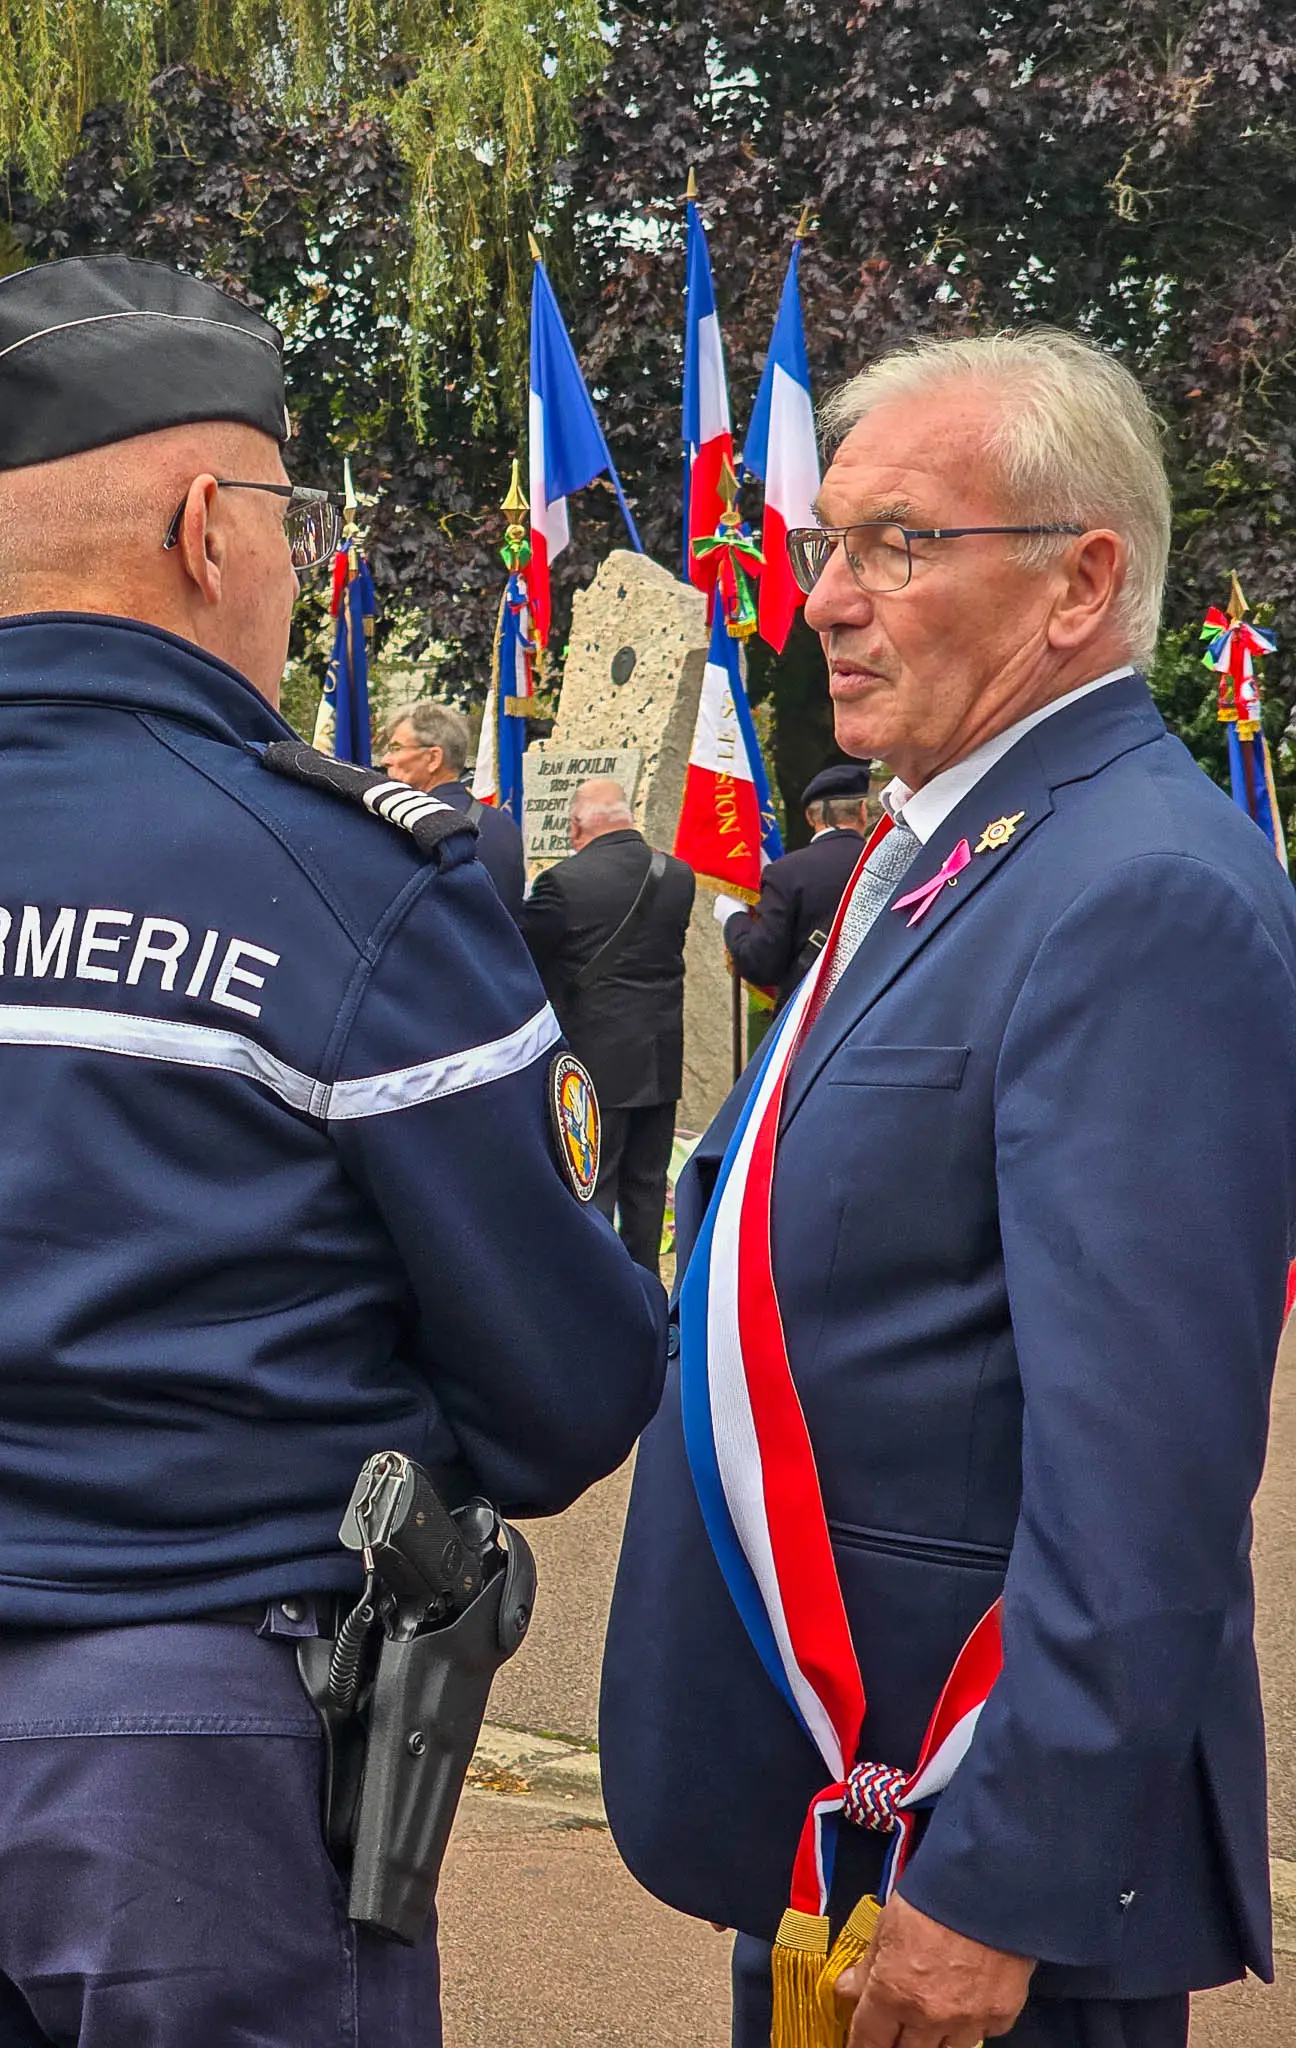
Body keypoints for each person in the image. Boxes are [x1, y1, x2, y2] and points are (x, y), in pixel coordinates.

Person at [0, 253, 668, 2048]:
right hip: (194, 1742)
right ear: (199, 525)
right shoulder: (350, 876)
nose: (300, 563)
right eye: (284, 514)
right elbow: (561, 1380)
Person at [600, 330, 1296, 2048]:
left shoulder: (1140, 892)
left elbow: (1140, 1466)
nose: (822, 599)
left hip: (971, 1863)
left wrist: (997, 1876)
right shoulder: (958, 849)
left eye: (898, 542)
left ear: (1078, 584)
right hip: (850, 1816)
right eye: (830, 542)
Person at [518, 777, 695, 1267]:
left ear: (577, 826)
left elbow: (528, 959)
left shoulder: (563, 883)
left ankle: (598, 1301)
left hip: (595, 1062)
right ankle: (646, 1299)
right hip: (660, 1057)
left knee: (592, 1186)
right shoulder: (678, 875)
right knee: (647, 1189)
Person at [715, 761, 873, 1002]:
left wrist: (733, 916)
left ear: (810, 817)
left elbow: (761, 964)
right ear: (863, 810)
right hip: (877, 1010)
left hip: (811, 1016)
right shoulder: (889, 861)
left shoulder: (785, 872)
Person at [380, 700, 527, 912]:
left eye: (396, 748)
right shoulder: (504, 825)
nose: (386, 759)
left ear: (433, 758)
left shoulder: (409, 826)